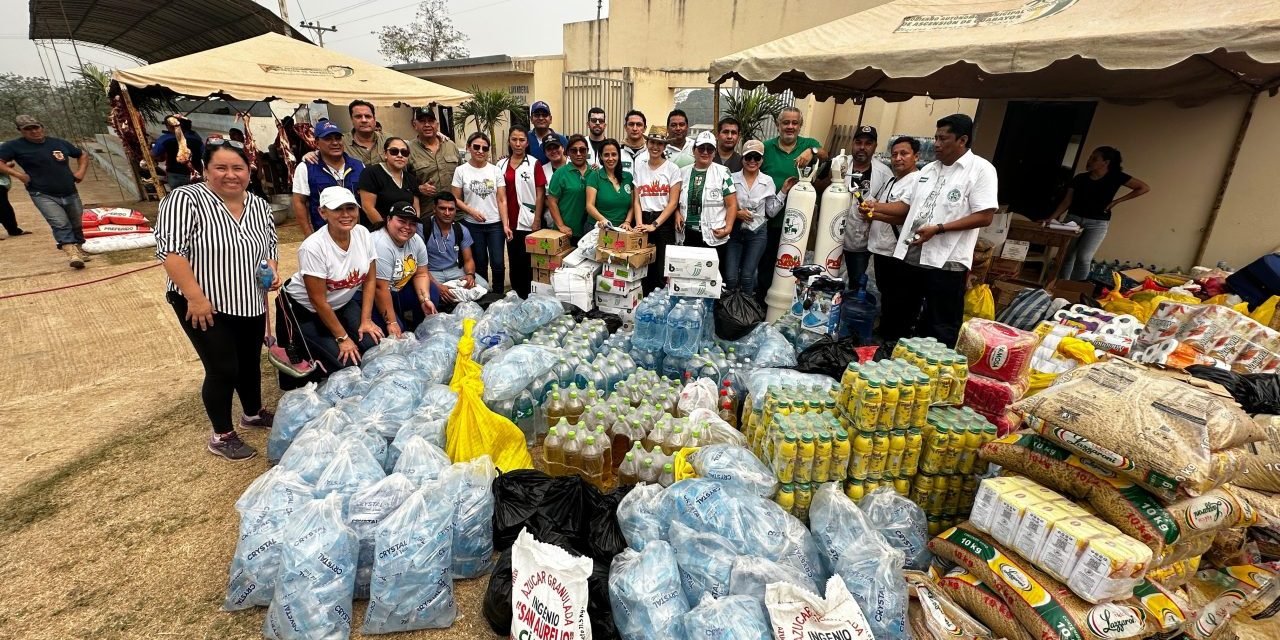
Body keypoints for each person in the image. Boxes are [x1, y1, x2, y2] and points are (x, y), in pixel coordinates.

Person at [155, 138, 279, 461]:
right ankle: (222, 434)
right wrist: (195, 298)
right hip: (204, 303)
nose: (230, 174)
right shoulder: (186, 200)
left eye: (238, 167)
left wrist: (271, 271)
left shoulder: (259, 206)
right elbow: (171, 252)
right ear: (206, 169)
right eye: (221, 167)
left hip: (249, 299)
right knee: (223, 366)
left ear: (248, 171)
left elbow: (270, 249)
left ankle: (252, 412)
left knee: (250, 361)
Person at [862, 114, 997, 347]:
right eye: (935, 137)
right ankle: (893, 360)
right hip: (911, 256)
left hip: (946, 261)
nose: (936, 144)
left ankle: (932, 371)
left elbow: (985, 216)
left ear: (962, 140)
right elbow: (906, 208)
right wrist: (876, 208)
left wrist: (940, 229)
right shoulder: (927, 171)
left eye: (943, 138)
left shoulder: (981, 170)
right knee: (899, 316)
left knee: (939, 324)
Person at [278, 186, 383, 387]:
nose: (346, 215)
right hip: (304, 309)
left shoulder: (362, 233)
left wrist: (366, 320)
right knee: (350, 362)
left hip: (342, 301)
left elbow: (370, 279)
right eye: (338, 209)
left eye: (350, 208)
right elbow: (318, 301)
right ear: (322, 212)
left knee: (373, 346)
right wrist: (342, 337)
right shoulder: (313, 247)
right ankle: (316, 359)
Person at [0, 115, 91, 268]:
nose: (34, 131)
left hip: (69, 190)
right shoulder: (13, 146)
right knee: (60, 222)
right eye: (28, 129)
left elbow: (81, 154)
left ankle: (79, 248)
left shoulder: (58, 143)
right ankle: (71, 253)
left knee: (76, 222)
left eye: (36, 127)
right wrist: (19, 175)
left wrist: (80, 172)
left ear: (42, 127)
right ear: (21, 131)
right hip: (42, 193)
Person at [757, 106, 828, 300]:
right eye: (785, 122)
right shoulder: (767, 147)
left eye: (794, 123)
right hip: (770, 221)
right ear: (777, 125)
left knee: (791, 269)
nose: (790, 127)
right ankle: (762, 306)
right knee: (766, 267)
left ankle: (788, 304)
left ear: (800, 125)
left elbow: (825, 155)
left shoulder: (809, 144)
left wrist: (810, 151)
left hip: (799, 226)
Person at [1049, 146, 1150, 280]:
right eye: (1090, 157)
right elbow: (1067, 201)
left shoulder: (1116, 177)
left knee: (1084, 257)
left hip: (1098, 223)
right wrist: (1051, 218)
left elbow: (1143, 187)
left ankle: (1074, 289)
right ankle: (1061, 286)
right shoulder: (1080, 178)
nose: (1090, 160)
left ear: (1106, 162)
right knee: (1066, 256)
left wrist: (1117, 201)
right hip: (1073, 220)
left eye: (1094, 158)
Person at [867, 136, 923, 343]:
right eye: (894, 154)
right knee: (887, 295)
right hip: (882, 249)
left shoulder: (917, 180)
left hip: (898, 251)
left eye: (904, 154)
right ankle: (886, 335)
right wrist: (872, 214)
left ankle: (895, 339)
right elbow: (893, 215)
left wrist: (874, 208)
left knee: (900, 299)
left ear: (916, 156)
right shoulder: (892, 180)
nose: (898, 158)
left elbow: (904, 210)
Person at [728, 140, 794, 295]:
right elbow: (723, 205)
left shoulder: (767, 181)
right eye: (748, 157)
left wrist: (783, 191)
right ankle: (729, 310)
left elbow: (771, 212)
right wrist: (736, 213)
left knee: (747, 276)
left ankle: (746, 311)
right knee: (731, 277)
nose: (752, 161)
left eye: (756, 158)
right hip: (735, 230)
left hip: (757, 233)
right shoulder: (731, 178)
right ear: (742, 159)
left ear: (762, 160)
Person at [451, 132, 509, 294]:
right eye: (476, 147)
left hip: (495, 224)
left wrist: (505, 225)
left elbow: (502, 199)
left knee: (498, 263)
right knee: (480, 262)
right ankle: (482, 293)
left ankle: (498, 294)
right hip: (472, 225)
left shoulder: (495, 170)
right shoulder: (461, 171)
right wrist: (471, 211)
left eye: (484, 148)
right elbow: (455, 199)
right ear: (469, 147)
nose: (480, 151)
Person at [373, 202, 438, 334]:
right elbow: (379, 289)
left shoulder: (416, 240)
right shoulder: (380, 244)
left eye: (412, 224)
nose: (407, 227)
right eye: (401, 221)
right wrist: (392, 322)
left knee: (432, 291)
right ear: (388, 219)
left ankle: (421, 329)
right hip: (374, 296)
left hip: (398, 290)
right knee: (396, 331)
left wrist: (424, 299)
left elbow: (421, 273)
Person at [291, 120, 364, 235]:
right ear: (316, 143)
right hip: (324, 235)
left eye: (338, 138)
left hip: (356, 233)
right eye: (328, 139)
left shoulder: (358, 166)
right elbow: (299, 201)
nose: (335, 143)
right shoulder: (306, 168)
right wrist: (308, 234)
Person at [497, 125, 546, 297]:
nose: (518, 143)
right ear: (509, 142)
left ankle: (529, 295)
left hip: (528, 219)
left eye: (522, 140)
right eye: (514, 139)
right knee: (513, 259)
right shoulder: (501, 164)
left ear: (527, 143)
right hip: (508, 220)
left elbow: (540, 194)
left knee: (528, 261)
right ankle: (516, 295)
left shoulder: (534, 163)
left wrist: (537, 219)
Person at [841, 125, 892, 287]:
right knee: (826, 275)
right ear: (852, 144)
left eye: (868, 143)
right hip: (833, 235)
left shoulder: (884, 174)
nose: (862, 147)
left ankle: (850, 309)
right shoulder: (840, 164)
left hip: (860, 241)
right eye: (858, 142)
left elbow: (887, 207)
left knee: (856, 281)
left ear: (875, 146)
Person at [631, 133, 682, 293]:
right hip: (644, 217)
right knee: (644, 267)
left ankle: (659, 302)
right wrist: (639, 223)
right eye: (652, 142)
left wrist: (654, 225)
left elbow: (673, 202)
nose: (655, 147)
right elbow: (637, 200)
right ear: (647, 143)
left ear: (665, 147)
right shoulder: (640, 168)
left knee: (662, 269)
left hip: (663, 222)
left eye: (660, 144)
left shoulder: (672, 169)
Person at [678, 131, 739, 261]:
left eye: (710, 149)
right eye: (701, 148)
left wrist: (728, 228)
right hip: (688, 234)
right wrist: (677, 214)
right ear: (694, 150)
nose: (705, 152)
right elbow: (675, 201)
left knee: (712, 278)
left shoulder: (723, 173)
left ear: (715, 152)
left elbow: (732, 204)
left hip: (713, 235)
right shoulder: (683, 173)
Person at [420, 192, 489, 301]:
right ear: (434, 209)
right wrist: (437, 286)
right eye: (442, 208)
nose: (447, 213)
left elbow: (468, 260)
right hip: (431, 271)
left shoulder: (460, 229)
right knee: (428, 294)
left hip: (454, 270)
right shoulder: (423, 228)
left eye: (451, 209)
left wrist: (470, 275)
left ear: (456, 210)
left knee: (484, 286)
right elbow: (418, 266)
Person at [408, 106, 462, 220]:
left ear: (437, 124)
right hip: (427, 214)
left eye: (431, 121)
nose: (427, 125)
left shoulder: (451, 145)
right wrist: (419, 188)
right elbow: (401, 184)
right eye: (422, 121)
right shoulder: (408, 150)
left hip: (456, 213)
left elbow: (463, 175)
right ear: (414, 125)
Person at [356, 137, 421, 228]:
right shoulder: (371, 173)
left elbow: (416, 210)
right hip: (378, 231)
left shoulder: (411, 179)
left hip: (405, 231)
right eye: (394, 151)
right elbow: (368, 207)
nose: (400, 155)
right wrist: (387, 231)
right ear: (385, 154)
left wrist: (410, 227)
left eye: (404, 152)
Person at [547, 134, 593, 240]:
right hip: (567, 232)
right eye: (574, 150)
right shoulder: (560, 173)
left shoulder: (595, 173)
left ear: (587, 151)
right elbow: (552, 202)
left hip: (589, 232)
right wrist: (561, 225)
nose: (578, 154)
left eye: (582, 150)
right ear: (567, 152)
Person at [586, 139, 634, 228]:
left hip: (621, 229)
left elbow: (632, 205)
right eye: (606, 155)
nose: (610, 158)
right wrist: (603, 220)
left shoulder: (628, 177)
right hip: (598, 227)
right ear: (600, 156)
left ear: (619, 156)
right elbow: (589, 206)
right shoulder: (595, 176)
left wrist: (627, 222)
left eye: (614, 154)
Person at [151, 116, 204, 190]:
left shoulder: (165, 139)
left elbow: (154, 154)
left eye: (167, 125)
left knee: (180, 196)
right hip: (195, 174)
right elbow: (203, 154)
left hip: (176, 175)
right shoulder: (196, 138)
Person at [538, 133, 567, 228]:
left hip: (574, 216)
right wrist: (553, 205)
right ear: (545, 153)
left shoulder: (574, 165)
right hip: (551, 220)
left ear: (563, 148)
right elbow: (541, 196)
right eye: (549, 149)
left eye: (556, 147)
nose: (553, 151)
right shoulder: (542, 170)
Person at [344, 100, 385, 166]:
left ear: (374, 119)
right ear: (352, 119)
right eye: (358, 116)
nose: (364, 120)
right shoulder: (342, 143)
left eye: (368, 116)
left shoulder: (387, 140)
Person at [0, 161, 29, 237]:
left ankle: (13, 230)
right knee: (4, 208)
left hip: (2, 185)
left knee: (5, 209)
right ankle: (13, 230)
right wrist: (5, 166)